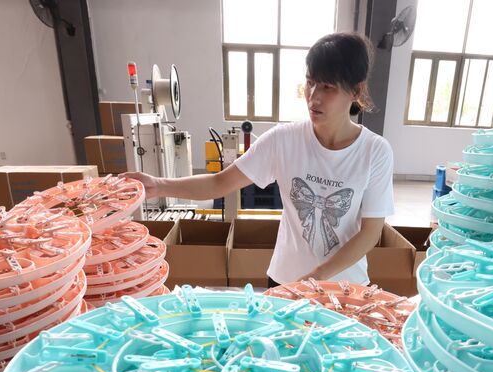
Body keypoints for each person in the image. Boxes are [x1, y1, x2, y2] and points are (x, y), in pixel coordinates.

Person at [124, 32, 394, 287]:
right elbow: (220, 183)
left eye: (328, 87)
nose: (314, 97)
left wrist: (317, 277)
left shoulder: (375, 151)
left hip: (345, 287)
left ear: (356, 91)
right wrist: (159, 185)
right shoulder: (284, 139)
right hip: (287, 281)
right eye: (311, 82)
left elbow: (370, 232)